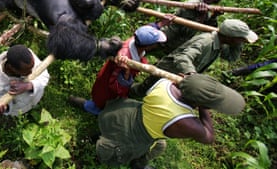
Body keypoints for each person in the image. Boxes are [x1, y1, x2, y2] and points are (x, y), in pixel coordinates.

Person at [96, 73, 245, 168]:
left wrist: (193, 84)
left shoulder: (165, 83)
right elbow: (209, 137)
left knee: (161, 145)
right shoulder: (185, 122)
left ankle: (139, 163)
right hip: (132, 136)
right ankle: (135, 162)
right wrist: (204, 107)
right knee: (154, 146)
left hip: (124, 112)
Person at [131, 19, 258, 97]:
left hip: (178, 74)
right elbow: (183, 56)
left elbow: (231, 57)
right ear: (229, 37)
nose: (242, 42)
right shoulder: (205, 42)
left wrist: (239, 42)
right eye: (240, 39)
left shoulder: (221, 43)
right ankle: (122, 92)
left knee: (156, 93)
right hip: (169, 69)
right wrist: (191, 73)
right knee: (143, 90)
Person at [69, 25, 167, 115]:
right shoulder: (124, 61)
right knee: (103, 103)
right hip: (107, 88)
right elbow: (116, 87)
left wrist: (160, 24)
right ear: (148, 46)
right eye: (156, 43)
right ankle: (90, 107)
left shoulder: (134, 41)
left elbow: (146, 31)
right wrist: (127, 73)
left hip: (107, 79)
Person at [156, 0, 227, 54]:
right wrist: (200, 16)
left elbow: (209, 30)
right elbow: (185, 31)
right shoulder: (193, 5)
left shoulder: (205, 7)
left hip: (176, 42)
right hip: (167, 40)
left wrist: (214, 16)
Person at [0, 44, 50, 116]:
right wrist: (5, 108)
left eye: (32, 68)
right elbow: (4, 105)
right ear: (11, 68)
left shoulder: (27, 57)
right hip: (20, 110)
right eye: (26, 70)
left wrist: (29, 85)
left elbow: (45, 76)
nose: (31, 72)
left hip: (35, 98)